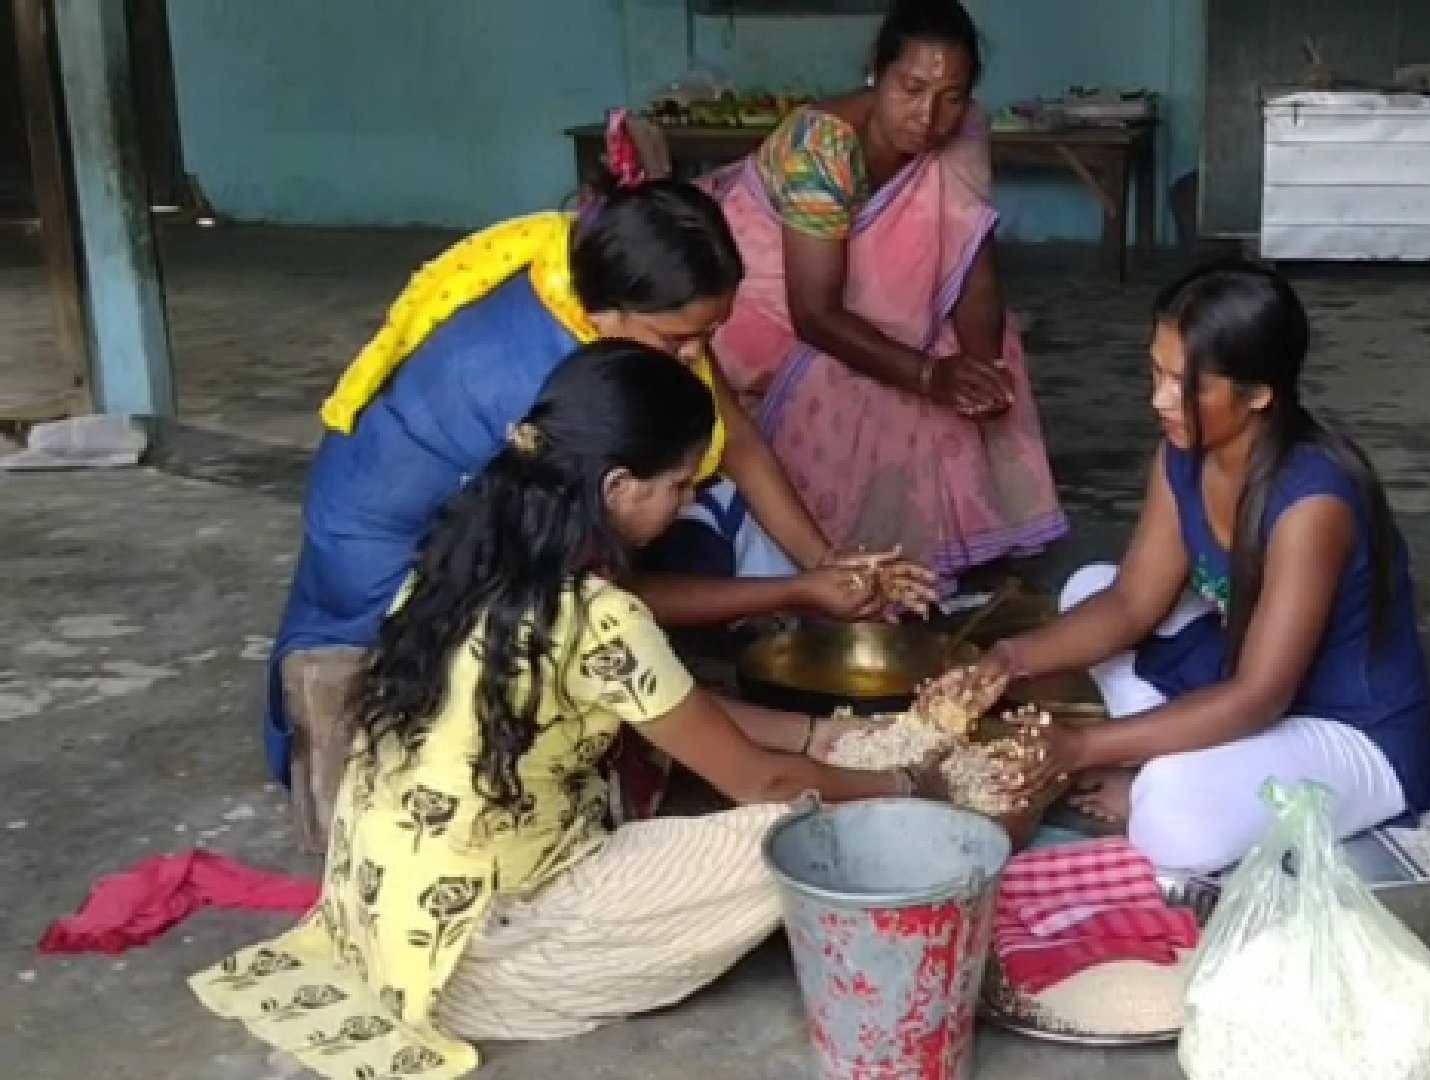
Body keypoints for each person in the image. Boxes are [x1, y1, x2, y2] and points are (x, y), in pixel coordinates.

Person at [194, 344, 954, 1080]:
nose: (687, 503)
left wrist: (832, 735)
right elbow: (759, 781)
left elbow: (663, 705)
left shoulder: (462, 556)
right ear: (619, 485)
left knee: (780, 776)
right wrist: (911, 788)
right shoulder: (597, 616)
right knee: (799, 834)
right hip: (496, 959)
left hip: (386, 929)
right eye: (682, 484)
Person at [273, 128, 932, 847]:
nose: (696, 359)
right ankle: (708, 734)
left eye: (705, 338)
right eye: (677, 341)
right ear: (607, 315)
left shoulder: (580, 271)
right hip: (385, 572)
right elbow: (599, 601)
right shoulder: (545, 395)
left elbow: (733, 433)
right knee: (629, 609)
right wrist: (797, 598)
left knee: (700, 518)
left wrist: (823, 561)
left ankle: (751, 725)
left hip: (475, 526)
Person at [970, 263, 1430, 873]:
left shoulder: (1314, 502)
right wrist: (1008, 660)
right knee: (1090, 587)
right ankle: (1169, 758)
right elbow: (1133, 602)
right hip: (1242, 665)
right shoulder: (1182, 451)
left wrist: (1080, 748)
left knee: (1173, 823)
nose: (1159, 399)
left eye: (1185, 384)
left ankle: (1161, 772)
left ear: (1259, 395)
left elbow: (1259, 697)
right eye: (1156, 372)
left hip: (1347, 725)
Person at [705, 0, 1066, 591]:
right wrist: (930, 376)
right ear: (876, 71)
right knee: (883, 369)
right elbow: (814, 313)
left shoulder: (964, 130)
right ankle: (846, 560)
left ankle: (942, 546)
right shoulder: (819, 148)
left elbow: (969, 249)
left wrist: (981, 366)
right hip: (763, 311)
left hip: (851, 299)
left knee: (965, 346)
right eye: (912, 88)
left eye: (951, 96)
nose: (929, 116)